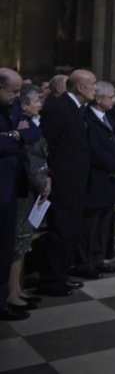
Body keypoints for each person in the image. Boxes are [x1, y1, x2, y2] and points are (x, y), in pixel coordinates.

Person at [36, 69, 97, 295]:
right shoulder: (59, 107)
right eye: (93, 84)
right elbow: (46, 144)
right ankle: (50, 281)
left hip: (76, 182)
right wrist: (48, 175)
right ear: (80, 87)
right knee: (60, 232)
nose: (96, 88)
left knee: (70, 232)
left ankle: (62, 275)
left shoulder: (76, 108)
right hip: (63, 182)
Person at [2, 74, 43, 320]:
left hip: (17, 186)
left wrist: (14, 136)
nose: (17, 97)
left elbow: (33, 134)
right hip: (8, 186)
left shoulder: (14, 111)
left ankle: (10, 294)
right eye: (13, 92)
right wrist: (15, 137)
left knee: (14, 244)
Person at [77, 82, 115, 278]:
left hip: (111, 179)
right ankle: (84, 263)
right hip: (96, 178)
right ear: (98, 99)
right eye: (111, 97)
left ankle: (98, 259)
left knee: (104, 224)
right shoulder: (86, 118)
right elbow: (94, 150)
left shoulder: (109, 118)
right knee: (90, 225)